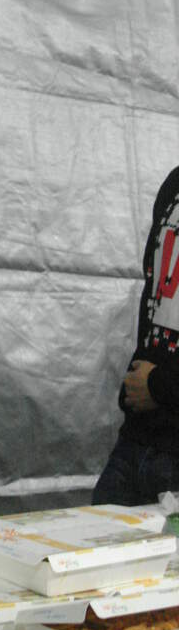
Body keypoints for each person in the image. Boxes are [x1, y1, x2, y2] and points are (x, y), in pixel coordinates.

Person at [93, 167, 179, 505]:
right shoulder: (175, 183)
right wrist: (137, 385)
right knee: (93, 539)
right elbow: (155, 295)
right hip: (139, 438)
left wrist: (160, 386)